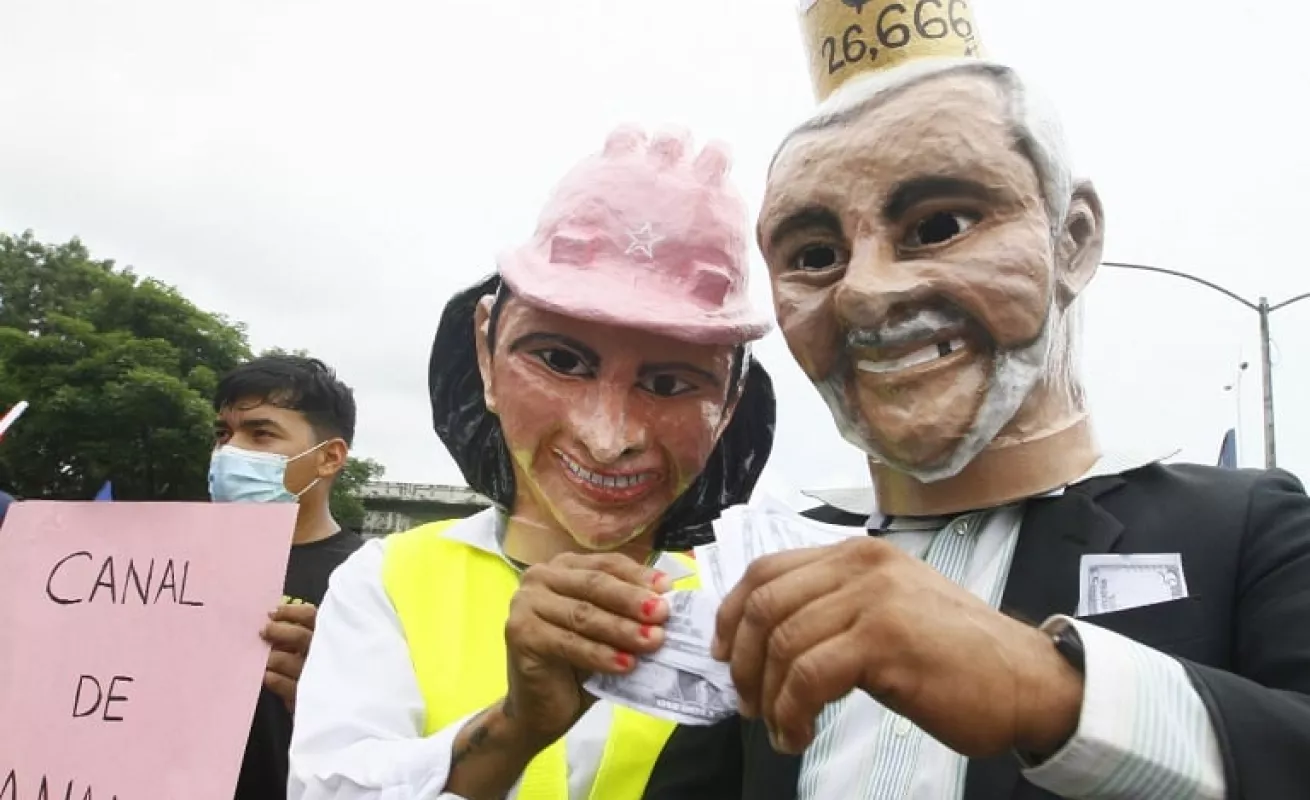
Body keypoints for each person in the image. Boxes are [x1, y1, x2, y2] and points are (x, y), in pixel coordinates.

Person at [646, 3, 1310, 799]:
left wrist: (1053, 692)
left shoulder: (1241, 529)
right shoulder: (778, 566)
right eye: (815, 255)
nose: (864, 292)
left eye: (940, 224)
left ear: (1072, 240)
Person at [287, 125, 777, 800]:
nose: (609, 439)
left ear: (728, 404)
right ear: (486, 350)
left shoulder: (749, 611)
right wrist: (516, 727)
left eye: (669, 385)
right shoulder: (389, 581)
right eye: (560, 360)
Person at [210, 354, 365, 800]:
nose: (229, 452)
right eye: (223, 434)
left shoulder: (372, 582)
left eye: (261, 434)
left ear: (329, 458)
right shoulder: (173, 569)